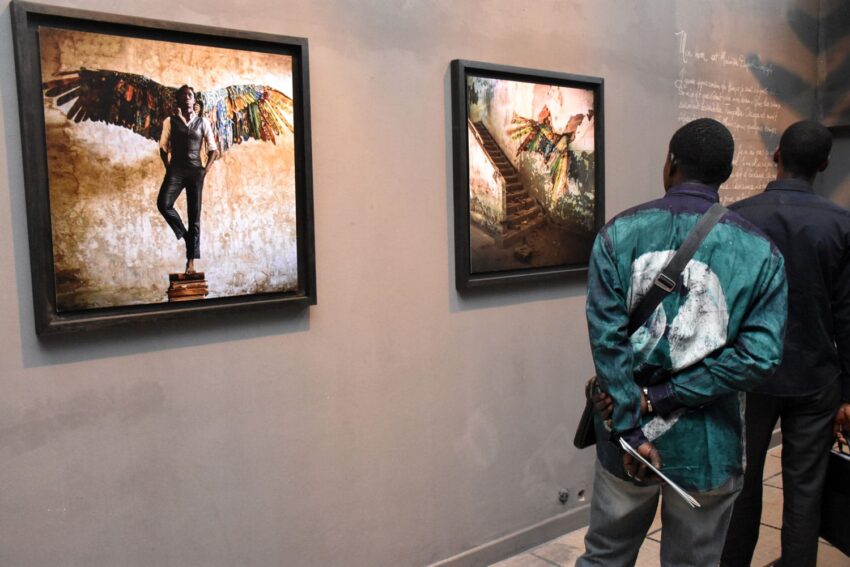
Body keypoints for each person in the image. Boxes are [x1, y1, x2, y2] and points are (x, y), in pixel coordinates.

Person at [577, 118, 787, 567]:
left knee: (606, 556)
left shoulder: (618, 234)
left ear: (670, 162)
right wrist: (666, 397)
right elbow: (760, 357)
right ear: (726, 175)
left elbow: (607, 340)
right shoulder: (761, 252)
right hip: (709, 445)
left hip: (624, 434)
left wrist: (633, 422)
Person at [720, 121, 850, 567]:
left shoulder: (736, 216)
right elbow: (847, 315)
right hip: (816, 376)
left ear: (777, 155)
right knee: (805, 490)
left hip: (749, 375)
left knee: (742, 483)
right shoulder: (842, 224)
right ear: (824, 165)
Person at [157, 84, 219, 274]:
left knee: (195, 218)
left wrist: (204, 171)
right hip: (176, 170)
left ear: (194, 100)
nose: (186, 98)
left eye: (190, 95)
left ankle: (190, 264)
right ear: (178, 100)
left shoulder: (203, 122)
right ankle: (184, 235)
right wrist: (169, 169)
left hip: (195, 172)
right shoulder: (170, 121)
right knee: (163, 204)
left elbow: (213, 150)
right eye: (183, 95)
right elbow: (163, 147)